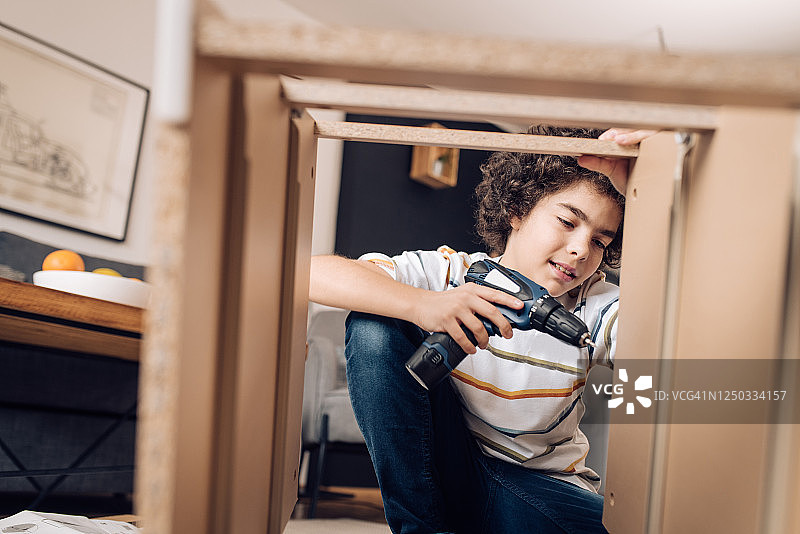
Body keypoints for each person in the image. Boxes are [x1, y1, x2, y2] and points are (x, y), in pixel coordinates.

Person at [309, 126, 654, 534]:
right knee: (372, 325)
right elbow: (310, 273)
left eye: (600, 241)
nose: (581, 249)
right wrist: (423, 305)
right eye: (567, 221)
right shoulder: (449, 273)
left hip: (536, 487)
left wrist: (650, 193)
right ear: (518, 210)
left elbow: (673, 338)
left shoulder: (596, 306)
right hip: (441, 470)